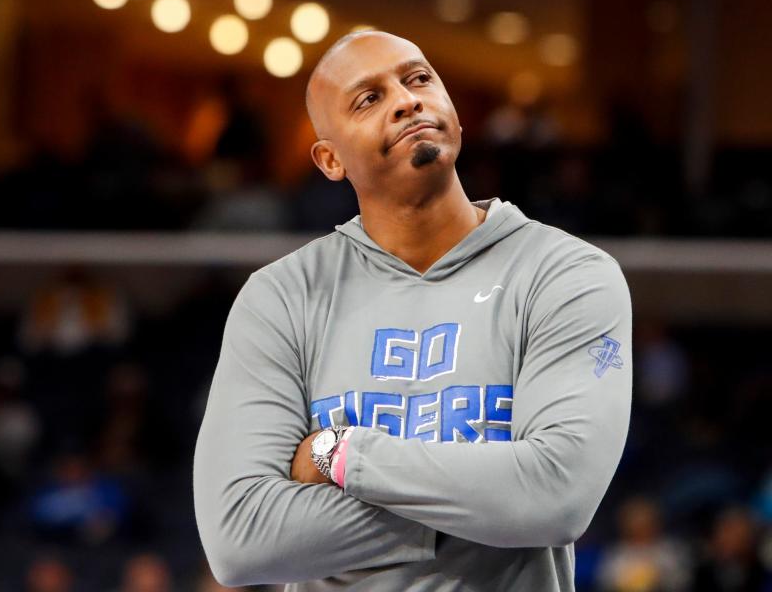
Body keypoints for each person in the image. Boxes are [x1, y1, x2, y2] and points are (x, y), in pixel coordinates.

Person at [193, 30, 632, 590]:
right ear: (330, 159)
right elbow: (241, 541)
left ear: (454, 110)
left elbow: (555, 498)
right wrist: (486, 506)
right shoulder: (281, 296)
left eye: (418, 78)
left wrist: (342, 454)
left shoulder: (564, 273)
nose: (406, 99)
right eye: (368, 99)